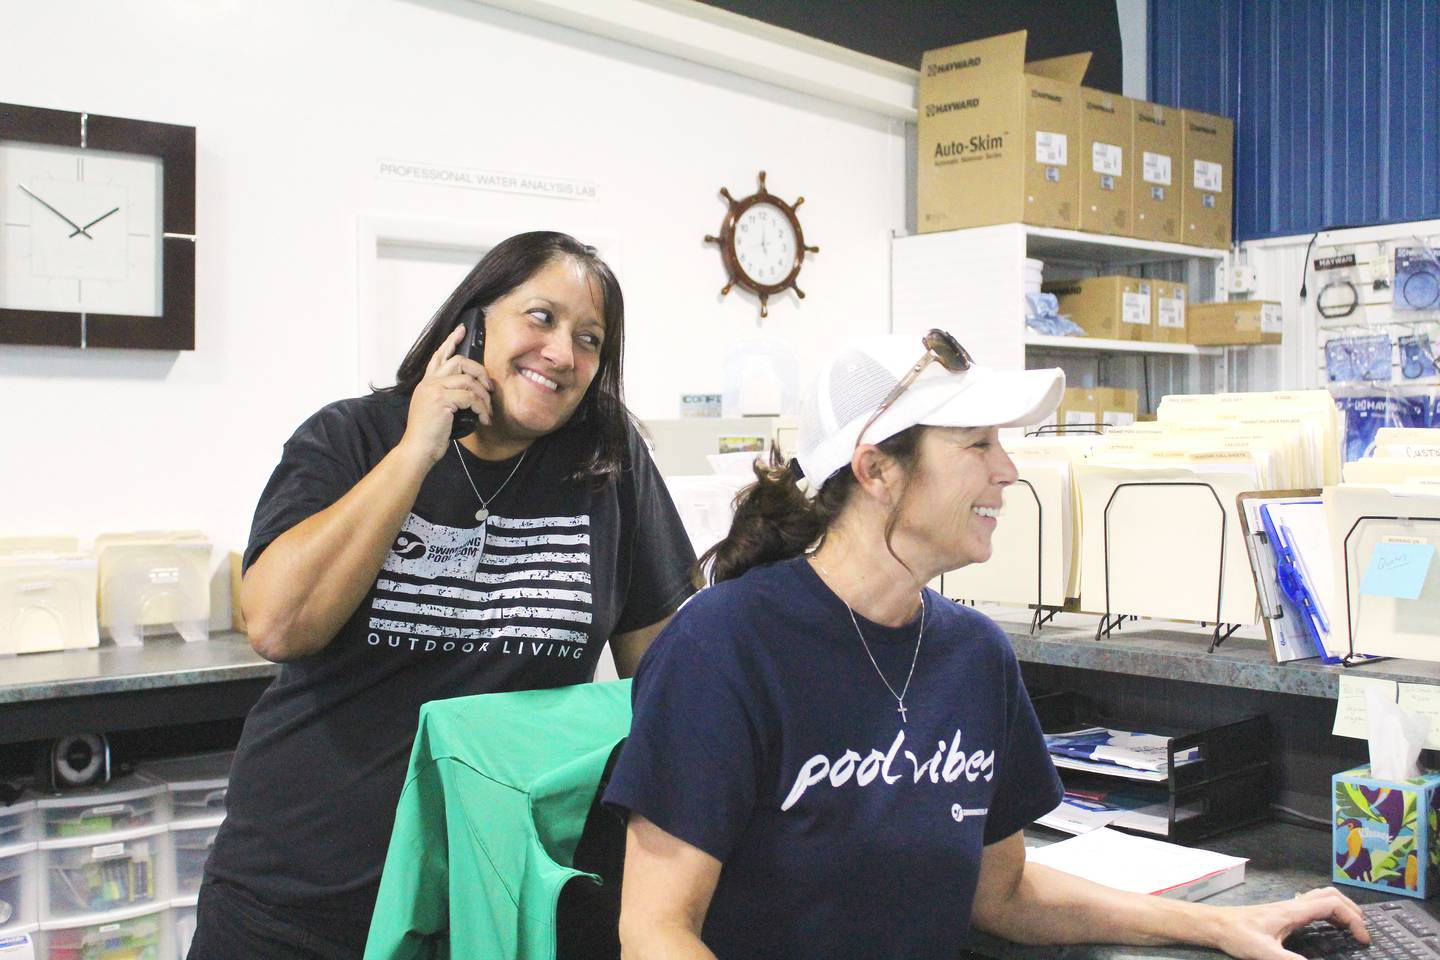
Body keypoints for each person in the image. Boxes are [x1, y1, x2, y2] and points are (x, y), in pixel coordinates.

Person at [603, 330, 1370, 960]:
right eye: (976, 444)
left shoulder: (973, 655)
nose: (1008, 470)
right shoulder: (725, 646)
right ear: (876, 468)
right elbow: (655, 930)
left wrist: (1218, 924)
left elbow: (1003, 892)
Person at [189, 232, 697, 959]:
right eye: (541, 318)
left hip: (490, 905)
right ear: (473, 322)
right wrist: (417, 450)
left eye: (590, 339)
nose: (563, 353)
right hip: (302, 897)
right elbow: (277, 624)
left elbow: (672, 676)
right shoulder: (355, 437)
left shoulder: (608, 463)